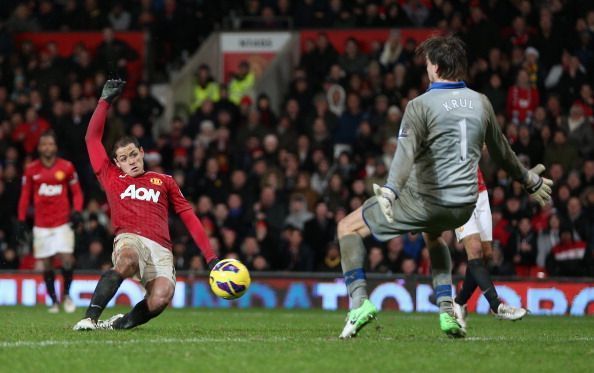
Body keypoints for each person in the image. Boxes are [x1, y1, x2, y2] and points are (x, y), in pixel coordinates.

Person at [337, 35, 552, 339]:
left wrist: (391, 190)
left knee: (347, 228)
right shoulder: (481, 102)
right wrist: (530, 180)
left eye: (427, 65)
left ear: (436, 67)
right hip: (463, 206)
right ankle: (447, 310)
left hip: (425, 201)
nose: (426, 70)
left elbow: (405, 154)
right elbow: (502, 152)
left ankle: (358, 303)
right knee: (433, 234)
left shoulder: (420, 105)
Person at [73, 80, 219, 331]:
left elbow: (188, 217)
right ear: (116, 163)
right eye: (123, 158)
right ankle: (89, 318)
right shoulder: (110, 176)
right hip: (129, 238)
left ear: (142, 153)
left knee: (161, 297)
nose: (130, 161)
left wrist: (211, 258)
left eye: (133, 154)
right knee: (127, 259)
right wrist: (104, 102)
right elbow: (91, 138)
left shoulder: (165, 181)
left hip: (161, 248)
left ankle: (118, 324)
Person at [452, 169, 528, 334]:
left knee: (486, 254)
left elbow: (489, 145)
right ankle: (497, 306)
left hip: (479, 192)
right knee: (475, 249)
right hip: (456, 193)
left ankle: (458, 302)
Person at [17, 130, 84, 313]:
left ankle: (67, 296)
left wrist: (77, 211)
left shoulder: (66, 167)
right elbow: (25, 196)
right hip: (41, 224)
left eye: (50, 144)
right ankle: (54, 301)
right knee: (46, 263)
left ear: (55, 147)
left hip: (62, 222)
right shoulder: (31, 169)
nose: (47, 147)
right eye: (44, 144)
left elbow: (76, 192)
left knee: (67, 259)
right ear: (39, 148)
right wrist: (22, 220)